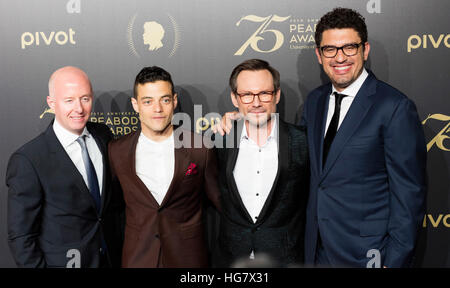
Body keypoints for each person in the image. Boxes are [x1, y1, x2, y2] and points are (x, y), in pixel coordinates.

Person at [300, 7, 427, 267]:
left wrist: (394, 261)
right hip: (317, 252)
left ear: (365, 50)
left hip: (369, 255)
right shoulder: (314, 102)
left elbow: (408, 196)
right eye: (330, 49)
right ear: (319, 54)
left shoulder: (393, 107)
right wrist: (242, 124)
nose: (339, 57)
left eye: (349, 47)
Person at [6, 66, 123, 268]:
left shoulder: (103, 135)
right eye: (69, 100)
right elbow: (22, 236)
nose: (79, 108)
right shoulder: (29, 159)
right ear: (51, 103)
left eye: (85, 98)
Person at [108, 66, 221, 268]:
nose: (157, 109)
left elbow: (220, 203)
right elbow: (113, 207)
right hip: (138, 258)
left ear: (174, 101)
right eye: (148, 101)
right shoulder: (117, 151)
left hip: (189, 259)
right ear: (135, 105)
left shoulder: (199, 148)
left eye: (165, 100)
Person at [211, 59, 309, 267]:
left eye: (264, 93)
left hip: (286, 259)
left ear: (277, 94)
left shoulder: (303, 141)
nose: (256, 102)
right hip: (232, 260)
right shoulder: (220, 140)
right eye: (247, 95)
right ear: (235, 98)